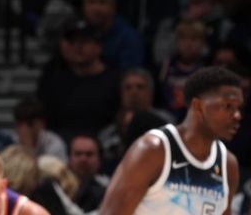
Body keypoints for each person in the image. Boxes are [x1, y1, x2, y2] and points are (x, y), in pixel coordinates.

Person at [100, 66, 242, 215]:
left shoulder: (228, 165)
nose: (237, 115)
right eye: (228, 106)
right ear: (198, 105)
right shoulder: (151, 150)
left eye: (239, 108)